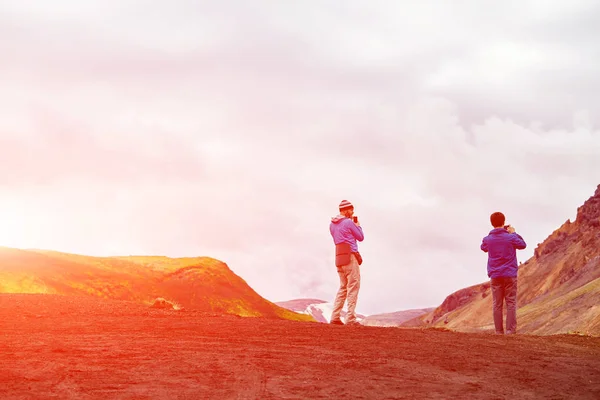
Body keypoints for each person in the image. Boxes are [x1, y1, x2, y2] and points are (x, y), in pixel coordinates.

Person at [480, 212, 527, 334]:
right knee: (510, 302)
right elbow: (523, 245)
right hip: (509, 275)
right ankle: (510, 331)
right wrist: (513, 232)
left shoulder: (488, 239)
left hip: (495, 275)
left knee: (497, 304)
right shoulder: (511, 237)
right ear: (503, 222)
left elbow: (483, 247)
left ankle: (498, 332)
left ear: (491, 223)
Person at [329, 199, 364, 326]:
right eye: (351, 209)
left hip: (339, 258)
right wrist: (358, 225)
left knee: (343, 287)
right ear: (346, 210)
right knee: (353, 286)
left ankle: (335, 316)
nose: (352, 212)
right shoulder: (349, 222)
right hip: (350, 257)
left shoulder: (332, 224)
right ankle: (350, 318)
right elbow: (360, 237)